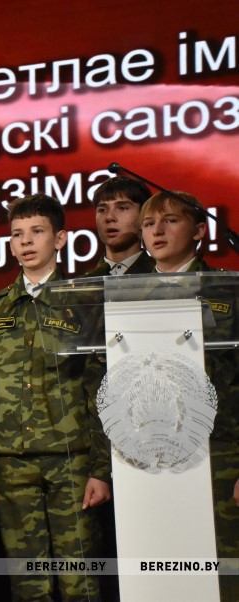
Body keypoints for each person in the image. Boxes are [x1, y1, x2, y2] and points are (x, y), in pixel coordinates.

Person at [0, 194, 111, 602]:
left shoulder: (85, 303)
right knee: (28, 586)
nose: (26, 241)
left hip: (72, 461)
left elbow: (102, 390)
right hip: (10, 464)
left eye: (37, 231)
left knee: (79, 581)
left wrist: (101, 469)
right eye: (17, 234)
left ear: (60, 239)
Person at [140, 190, 238, 601]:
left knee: (226, 577)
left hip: (221, 455)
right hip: (149, 463)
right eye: (148, 224)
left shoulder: (228, 290)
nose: (157, 231)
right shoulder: (124, 296)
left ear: (199, 230)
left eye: (170, 221)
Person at [85, 176, 155, 277]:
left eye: (122, 208)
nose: (109, 217)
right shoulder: (80, 284)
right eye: (102, 210)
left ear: (144, 216)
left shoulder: (162, 277)